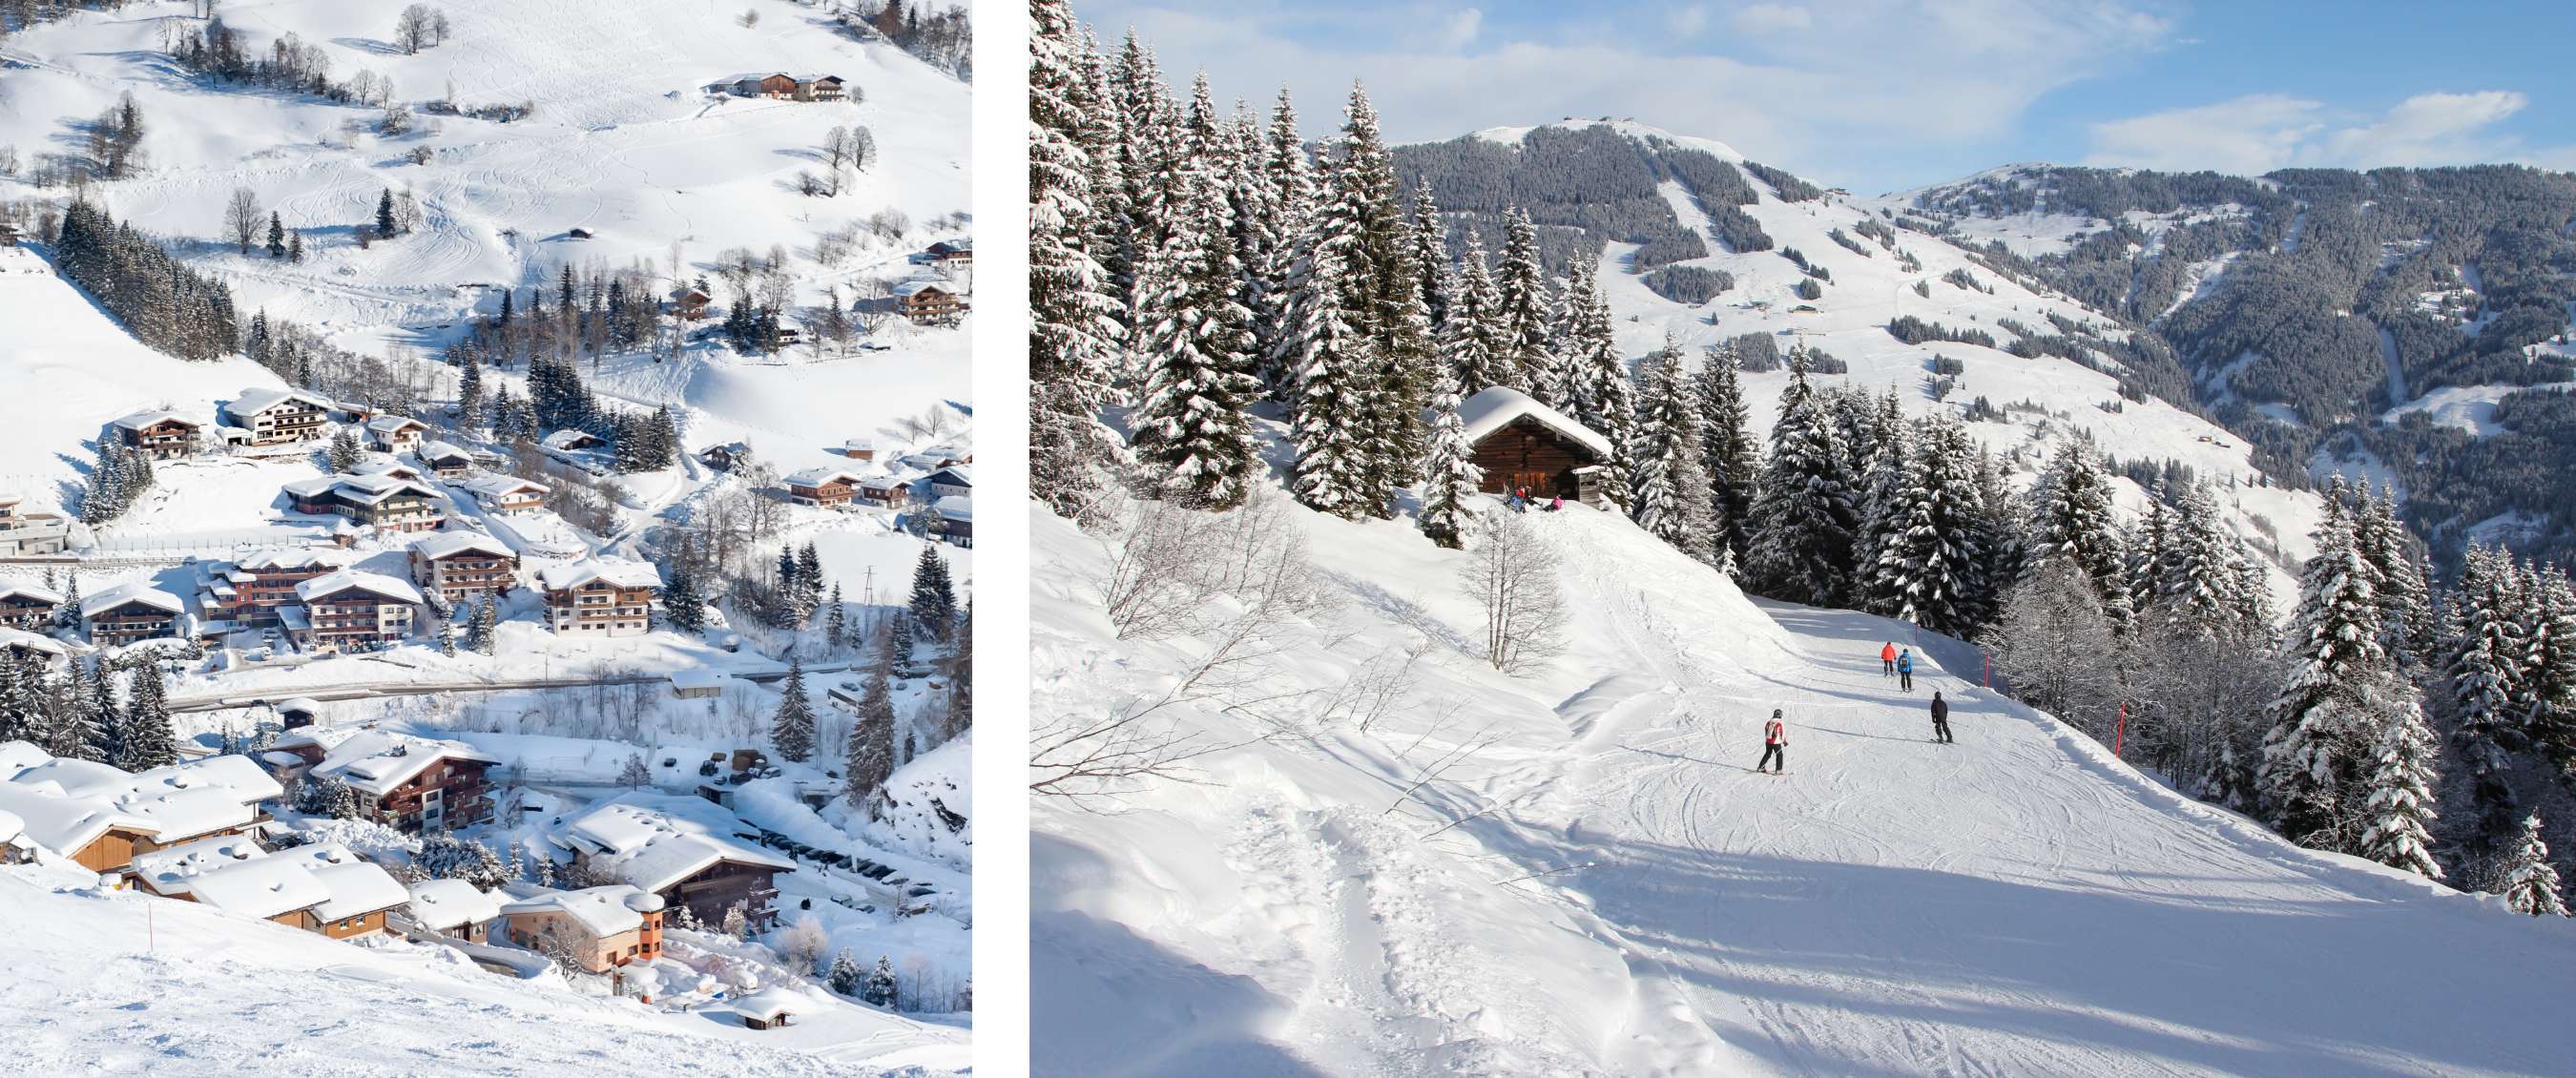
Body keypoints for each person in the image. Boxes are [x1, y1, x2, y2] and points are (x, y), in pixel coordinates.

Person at [1755, 709, 1786, 774]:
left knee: (1768, 754)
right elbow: (1782, 733)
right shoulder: (1779, 722)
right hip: (1776, 743)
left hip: (1768, 741)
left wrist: (1768, 738)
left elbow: (1766, 729)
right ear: (1780, 715)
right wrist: (1784, 741)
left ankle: (1761, 768)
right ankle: (1779, 770)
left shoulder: (1769, 722)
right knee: (1779, 755)